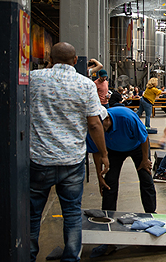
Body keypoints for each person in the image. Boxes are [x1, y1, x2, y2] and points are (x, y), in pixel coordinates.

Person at [30, 42, 109, 262]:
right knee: (72, 214)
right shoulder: (85, 85)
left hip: (39, 158)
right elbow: (94, 124)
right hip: (72, 161)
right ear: (76, 61)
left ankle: (28, 255)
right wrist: (103, 154)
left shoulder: (33, 79)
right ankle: (70, 258)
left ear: (50, 59)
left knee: (33, 215)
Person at [87, 106, 156, 213]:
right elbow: (96, 152)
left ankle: (151, 212)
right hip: (114, 150)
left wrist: (145, 160)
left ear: (107, 119)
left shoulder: (126, 118)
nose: (99, 130)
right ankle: (108, 214)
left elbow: (144, 137)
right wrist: (100, 177)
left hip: (137, 145)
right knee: (109, 182)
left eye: (101, 127)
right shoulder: (93, 128)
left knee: (145, 177)